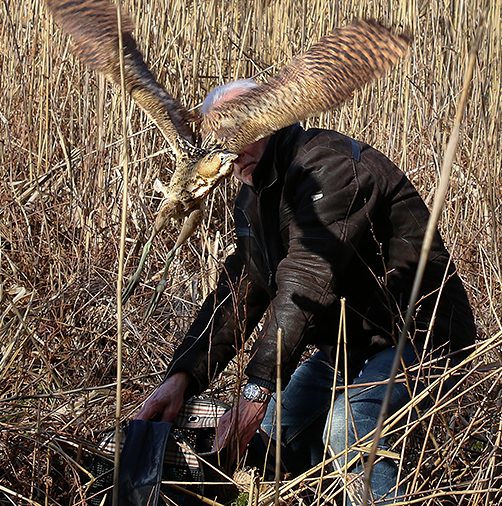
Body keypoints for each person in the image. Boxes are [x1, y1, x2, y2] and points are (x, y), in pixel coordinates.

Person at [135, 79, 476, 503]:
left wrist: (257, 390)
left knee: (351, 426)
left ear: (271, 121)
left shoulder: (330, 169)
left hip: (420, 337)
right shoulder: (253, 196)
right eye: (217, 139)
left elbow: (307, 278)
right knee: (273, 437)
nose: (228, 149)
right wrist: (182, 378)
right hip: (348, 347)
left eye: (238, 132)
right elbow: (241, 292)